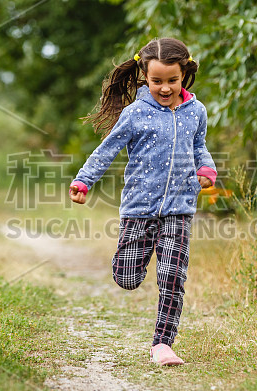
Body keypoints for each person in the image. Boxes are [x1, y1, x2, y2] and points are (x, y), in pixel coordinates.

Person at [69, 37, 217, 366]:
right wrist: (84, 180)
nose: (164, 88)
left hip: (180, 208)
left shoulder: (197, 112)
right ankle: (140, 258)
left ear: (185, 74)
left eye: (172, 80)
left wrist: (206, 168)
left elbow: (199, 147)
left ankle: (162, 344)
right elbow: (107, 149)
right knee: (127, 278)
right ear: (145, 77)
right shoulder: (135, 113)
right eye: (156, 81)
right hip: (139, 209)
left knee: (173, 277)